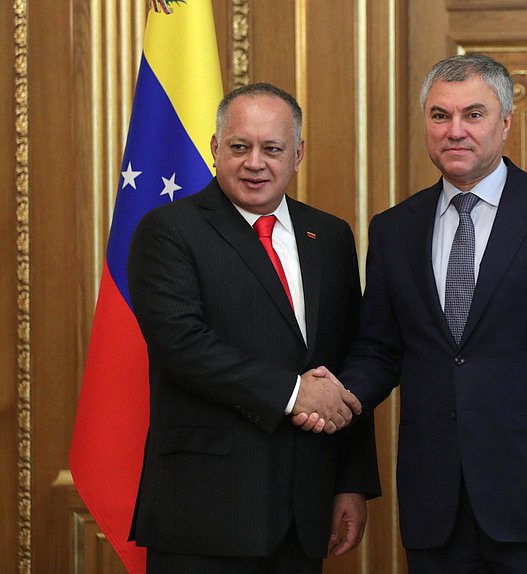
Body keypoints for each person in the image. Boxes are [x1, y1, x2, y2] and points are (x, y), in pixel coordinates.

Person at [297, 53, 527, 573]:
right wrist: (335, 395)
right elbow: (381, 348)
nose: (455, 131)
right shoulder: (394, 228)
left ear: (505, 122)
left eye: (473, 114)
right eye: (439, 115)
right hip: (436, 502)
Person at [127, 82, 380, 573]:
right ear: (215, 148)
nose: (255, 162)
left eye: (272, 148)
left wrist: (351, 482)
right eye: (240, 147)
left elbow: (346, 358)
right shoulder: (168, 230)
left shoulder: (328, 236)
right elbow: (182, 345)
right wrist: (293, 393)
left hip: (303, 509)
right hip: (205, 511)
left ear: (298, 153)